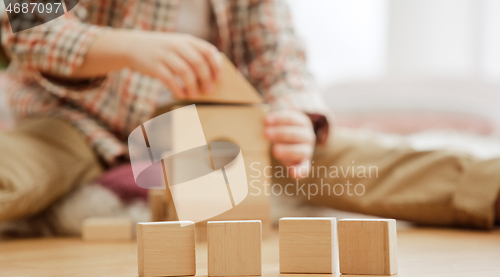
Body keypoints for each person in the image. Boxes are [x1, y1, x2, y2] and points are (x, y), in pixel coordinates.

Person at [1, 0, 499, 230]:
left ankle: (489, 187)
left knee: (359, 159)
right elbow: (21, 17)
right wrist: (120, 46)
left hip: (202, 133)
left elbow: (279, 57)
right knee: (18, 167)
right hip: (72, 121)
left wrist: (295, 117)